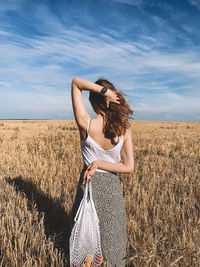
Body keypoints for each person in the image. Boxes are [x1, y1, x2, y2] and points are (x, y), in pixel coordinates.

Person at [71, 77, 134, 267]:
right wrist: (102, 164)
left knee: (86, 241)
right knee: (113, 242)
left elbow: (76, 83)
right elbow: (128, 167)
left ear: (93, 101)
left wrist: (103, 92)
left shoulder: (86, 124)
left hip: (88, 186)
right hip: (112, 191)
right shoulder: (123, 128)